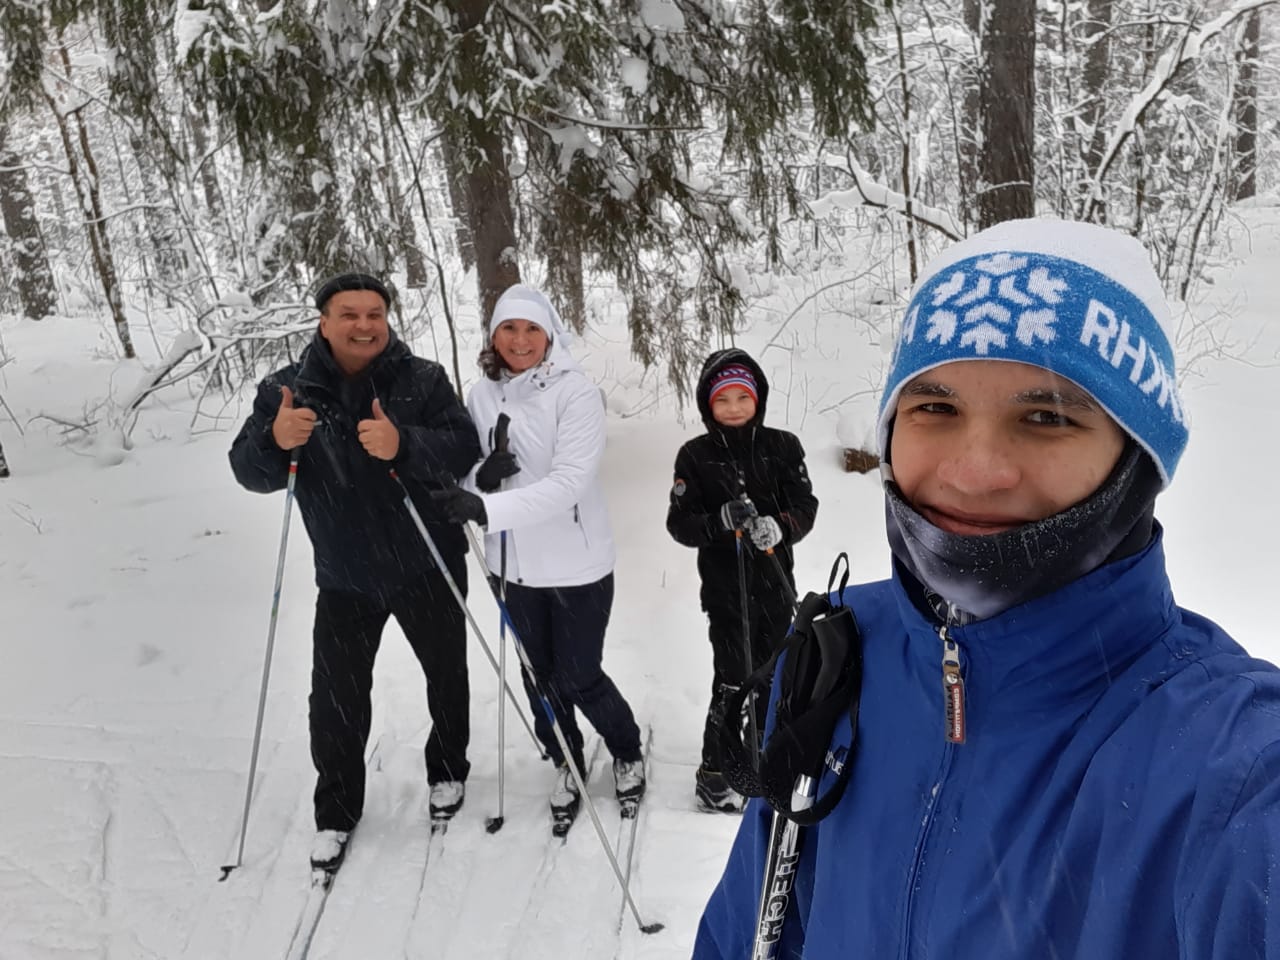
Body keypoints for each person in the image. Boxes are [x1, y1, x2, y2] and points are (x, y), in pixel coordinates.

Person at [693, 218, 1280, 958]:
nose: (975, 471)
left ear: (1136, 458)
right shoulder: (831, 662)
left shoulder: (1232, 772)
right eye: (935, 407)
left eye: (1046, 416)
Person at [229, 272, 481, 872]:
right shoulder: (287, 390)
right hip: (344, 574)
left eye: (374, 313)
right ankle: (337, 809)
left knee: (447, 676)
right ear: (324, 321)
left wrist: (404, 445)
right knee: (336, 699)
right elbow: (248, 470)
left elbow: (463, 444)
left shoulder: (421, 379)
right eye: (349, 314)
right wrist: (275, 437)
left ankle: (448, 772)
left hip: (426, 560)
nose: (364, 325)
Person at [431, 283, 645, 832]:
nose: (520, 340)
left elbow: (570, 483)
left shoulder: (575, 393)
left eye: (531, 329)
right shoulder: (482, 395)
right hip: (512, 569)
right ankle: (566, 757)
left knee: (579, 674)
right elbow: (471, 472)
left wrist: (484, 506)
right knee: (537, 677)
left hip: (577, 565)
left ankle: (625, 748)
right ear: (493, 335)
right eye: (508, 328)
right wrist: (481, 479)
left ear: (549, 334)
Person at [666, 350, 818, 812]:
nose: (733, 407)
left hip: (773, 586)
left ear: (758, 399)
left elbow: (804, 506)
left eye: (742, 397)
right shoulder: (694, 456)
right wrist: (718, 520)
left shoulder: (783, 446)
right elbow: (680, 524)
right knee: (732, 682)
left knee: (775, 677)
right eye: (723, 399)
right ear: (707, 404)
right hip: (726, 595)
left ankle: (768, 763)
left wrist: (781, 525)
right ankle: (717, 772)